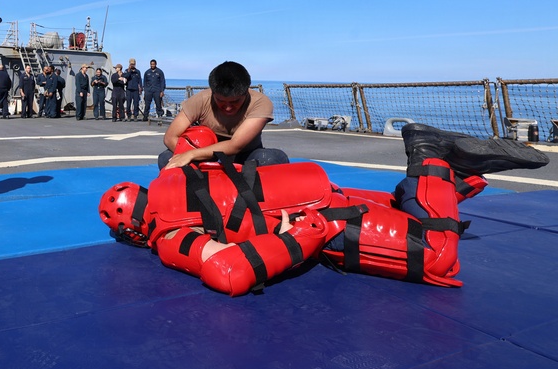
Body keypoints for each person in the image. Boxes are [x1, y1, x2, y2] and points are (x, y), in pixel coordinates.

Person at [100, 123, 549, 297]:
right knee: (400, 208)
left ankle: (431, 155)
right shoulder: (177, 168)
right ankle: (454, 178)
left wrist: (305, 234)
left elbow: (227, 271)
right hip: (311, 182)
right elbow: (197, 135)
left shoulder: (169, 237)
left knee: (436, 253)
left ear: (134, 231)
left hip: (323, 218)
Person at [160, 61, 287, 170]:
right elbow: (170, 137)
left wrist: (192, 155)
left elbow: (235, 145)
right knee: (166, 158)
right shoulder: (201, 100)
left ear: (246, 93)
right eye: (221, 101)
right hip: (205, 156)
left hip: (245, 155)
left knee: (271, 159)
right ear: (212, 93)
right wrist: (189, 155)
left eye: (235, 101)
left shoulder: (260, 103)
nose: (228, 107)